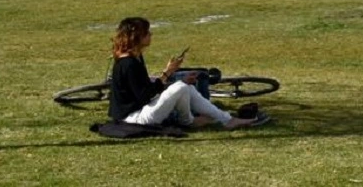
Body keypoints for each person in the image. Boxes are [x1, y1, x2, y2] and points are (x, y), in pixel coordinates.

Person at [108, 17, 265, 129]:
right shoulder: (128, 64)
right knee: (181, 87)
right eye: (147, 33)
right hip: (133, 118)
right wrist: (167, 73)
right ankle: (192, 121)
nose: (151, 35)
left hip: (139, 111)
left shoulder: (135, 57)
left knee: (186, 87)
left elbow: (143, 89)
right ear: (137, 37)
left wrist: (169, 80)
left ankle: (225, 119)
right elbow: (144, 95)